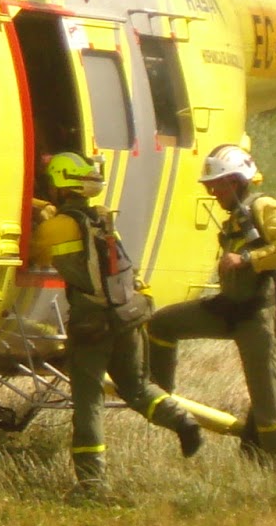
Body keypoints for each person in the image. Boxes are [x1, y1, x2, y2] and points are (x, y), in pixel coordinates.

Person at [30, 151, 203, 500]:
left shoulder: (56, 226)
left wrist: (39, 215)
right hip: (128, 315)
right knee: (138, 388)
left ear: (60, 187)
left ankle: (92, 485)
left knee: (88, 398)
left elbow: (36, 252)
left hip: (92, 325)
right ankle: (182, 419)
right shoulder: (103, 218)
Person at [147, 143, 276, 475]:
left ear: (235, 181)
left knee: (266, 392)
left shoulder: (264, 206)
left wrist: (248, 258)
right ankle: (161, 401)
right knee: (162, 325)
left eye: (216, 182)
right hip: (227, 308)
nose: (210, 189)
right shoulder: (235, 216)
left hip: (256, 317)